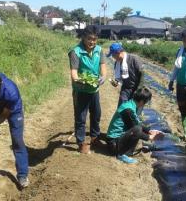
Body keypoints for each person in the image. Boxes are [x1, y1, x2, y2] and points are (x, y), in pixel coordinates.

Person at [68, 26, 107, 154]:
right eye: (89, 39)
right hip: (81, 90)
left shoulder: (99, 50)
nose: (92, 42)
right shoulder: (75, 52)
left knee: (96, 114)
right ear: (83, 37)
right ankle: (81, 142)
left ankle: (95, 138)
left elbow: (103, 66)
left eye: (95, 39)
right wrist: (79, 80)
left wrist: (103, 76)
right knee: (81, 117)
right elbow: (74, 72)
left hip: (94, 90)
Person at [106, 87, 163, 164]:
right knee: (137, 129)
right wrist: (150, 137)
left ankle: (125, 152)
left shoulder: (131, 104)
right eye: (146, 102)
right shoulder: (128, 110)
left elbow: (137, 122)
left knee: (138, 128)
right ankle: (121, 154)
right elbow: (134, 128)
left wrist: (149, 131)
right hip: (114, 144)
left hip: (117, 141)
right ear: (142, 101)